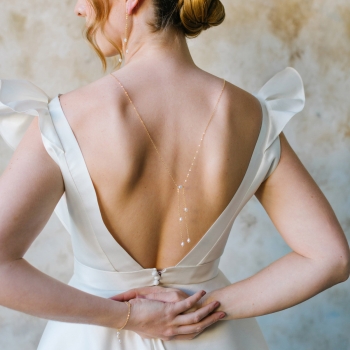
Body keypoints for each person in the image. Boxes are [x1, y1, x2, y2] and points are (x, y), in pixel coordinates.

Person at [0, 0, 349, 349]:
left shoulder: (65, 119)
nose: (79, 8)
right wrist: (204, 309)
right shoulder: (252, 117)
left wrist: (127, 316)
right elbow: (331, 257)